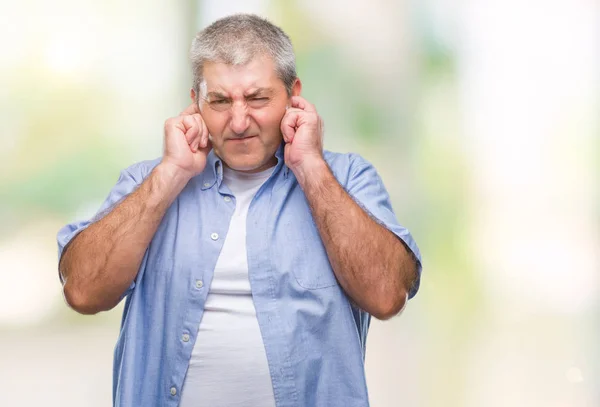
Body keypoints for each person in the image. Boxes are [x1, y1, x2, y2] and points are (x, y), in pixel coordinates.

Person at [56, 13, 422, 407]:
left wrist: (310, 166)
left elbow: (387, 296)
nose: (239, 120)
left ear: (293, 94)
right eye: (219, 101)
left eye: (257, 98)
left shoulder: (346, 180)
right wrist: (172, 173)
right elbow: (82, 291)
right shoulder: (148, 184)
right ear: (195, 102)